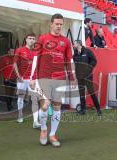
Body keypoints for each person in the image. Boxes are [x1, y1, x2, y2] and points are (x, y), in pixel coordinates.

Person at [30, 13, 76, 147]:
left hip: (60, 78)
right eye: (57, 24)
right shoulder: (43, 38)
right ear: (51, 24)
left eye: (61, 24)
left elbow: (68, 61)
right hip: (43, 77)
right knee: (45, 105)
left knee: (57, 106)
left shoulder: (66, 42)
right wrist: (32, 77)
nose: (59, 26)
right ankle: (44, 129)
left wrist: (72, 78)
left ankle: (52, 134)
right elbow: (35, 58)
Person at [14, 33, 41, 129]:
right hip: (22, 79)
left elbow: (38, 66)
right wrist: (18, 76)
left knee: (34, 98)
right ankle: (20, 115)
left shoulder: (36, 52)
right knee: (20, 97)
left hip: (32, 79)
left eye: (33, 39)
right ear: (26, 39)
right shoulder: (20, 50)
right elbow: (15, 64)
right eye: (30, 38)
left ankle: (35, 121)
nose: (31, 40)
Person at [73, 40, 102, 116]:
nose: (74, 45)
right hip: (80, 76)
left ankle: (98, 109)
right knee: (81, 94)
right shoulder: (75, 53)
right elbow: (75, 62)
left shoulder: (87, 51)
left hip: (87, 76)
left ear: (79, 44)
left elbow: (94, 61)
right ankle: (83, 110)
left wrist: (89, 69)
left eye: (75, 43)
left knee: (92, 93)